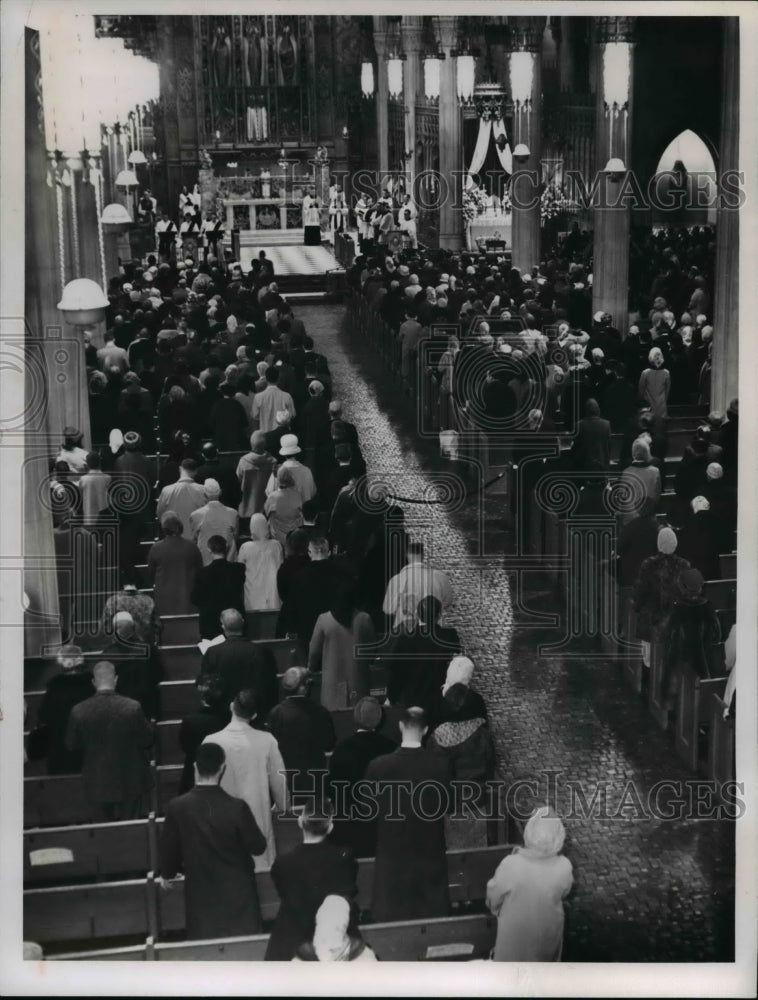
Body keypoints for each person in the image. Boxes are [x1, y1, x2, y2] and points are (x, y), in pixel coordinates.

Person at [158, 742, 268, 940]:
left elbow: (169, 850)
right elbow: (259, 847)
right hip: (239, 894)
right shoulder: (237, 807)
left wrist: (167, 873)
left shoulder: (177, 807)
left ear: (194, 767)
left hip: (201, 894)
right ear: (223, 768)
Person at [365, 706, 453, 922]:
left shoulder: (378, 767)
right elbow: (448, 806)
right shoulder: (440, 766)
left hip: (392, 858)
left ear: (400, 726)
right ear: (425, 731)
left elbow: (368, 810)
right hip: (429, 856)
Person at [202, 689, 288, 869]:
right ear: (255, 715)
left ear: (231, 707)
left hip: (221, 818)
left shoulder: (211, 741)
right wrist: (282, 806)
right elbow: (279, 781)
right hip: (257, 816)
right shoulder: (267, 741)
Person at [265, 798, 358, 962]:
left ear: (300, 822)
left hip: (291, 943)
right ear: (330, 827)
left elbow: (283, 891)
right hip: (333, 941)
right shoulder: (344, 858)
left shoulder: (283, 863)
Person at [65, 661, 153, 821]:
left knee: (104, 835)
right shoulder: (132, 707)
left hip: (96, 779)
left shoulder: (78, 711)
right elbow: (147, 740)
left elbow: (71, 745)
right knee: (130, 829)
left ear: (93, 682)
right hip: (130, 779)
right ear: (116, 679)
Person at [486, 805, 573, 961]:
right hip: (547, 942)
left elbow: (493, 897)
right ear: (559, 836)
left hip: (513, 949)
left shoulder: (510, 864)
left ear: (529, 831)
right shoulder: (564, 866)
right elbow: (564, 892)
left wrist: (496, 909)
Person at [327, 696, 398, 858]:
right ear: (379, 719)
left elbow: (333, 791)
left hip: (351, 828)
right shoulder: (390, 748)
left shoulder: (342, 750)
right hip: (384, 828)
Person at [384, 596, 461, 720]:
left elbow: (397, 675)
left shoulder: (404, 640)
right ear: (439, 615)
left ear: (417, 614)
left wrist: (390, 698)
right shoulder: (449, 636)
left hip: (413, 704)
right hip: (441, 703)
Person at [266, 667, 336, 802]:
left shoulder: (276, 713)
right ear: (305, 687)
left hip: (285, 779)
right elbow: (329, 743)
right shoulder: (320, 712)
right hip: (314, 779)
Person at [200, 609, 279, 717]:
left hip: (223, 714)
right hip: (255, 711)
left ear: (223, 626)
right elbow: (271, 684)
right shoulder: (262, 651)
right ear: (243, 622)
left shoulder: (213, 652)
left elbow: (206, 684)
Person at [307, 586, 376, 710]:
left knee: (335, 720)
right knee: (359, 717)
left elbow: (314, 651)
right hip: (358, 681)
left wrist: (311, 668)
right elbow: (372, 649)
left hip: (332, 684)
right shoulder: (364, 619)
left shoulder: (324, 620)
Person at [662, 568, 722, 709]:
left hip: (680, 658)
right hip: (703, 660)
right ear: (700, 587)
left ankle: (673, 711)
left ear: (682, 587)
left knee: (676, 687)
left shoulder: (678, 609)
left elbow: (667, 633)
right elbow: (717, 635)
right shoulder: (708, 607)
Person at [33, 645, 93, 775]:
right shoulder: (90, 686)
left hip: (61, 750)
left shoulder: (55, 688)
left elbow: (44, 716)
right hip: (88, 750)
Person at [382, 540, 454, 631]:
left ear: (407, 555)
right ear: (424, 555)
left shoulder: (396, 580)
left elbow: (388, 609)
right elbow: (447, 602)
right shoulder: (440, 577)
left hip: (406, 634)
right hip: (433, 632)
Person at [178, 674, 231, 794]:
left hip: (196, 770)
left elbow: (185, 746)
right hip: (225, 768)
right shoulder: (229, 718)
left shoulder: (190, 720)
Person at [148, 512, 204, 616]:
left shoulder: (156, 548)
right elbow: (200, 571)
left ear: (164, 529)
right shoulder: (192, 546)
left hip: (164, 598)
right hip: (187, 596)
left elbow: (150, 574)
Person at [191, 535, 246, 640]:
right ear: (226, 549)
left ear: (209, 550)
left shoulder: (202, 574)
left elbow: (195, 599)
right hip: (234, 623)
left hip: (210, 625)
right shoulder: (238, 569)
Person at [293, 895, 377, 963]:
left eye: (336, 928)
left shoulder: (363, 955)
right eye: (324, 926)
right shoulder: (303, 957)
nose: (329, 933)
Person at [237, 513, 284, 612]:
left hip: (253, 592)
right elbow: (281, 566)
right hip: (273, 592)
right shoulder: (276, 545)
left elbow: (239, 570)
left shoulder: (245, 547)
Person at [189, 479, 238, 566]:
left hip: (205, 564)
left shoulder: (195, 515)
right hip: (228, 564)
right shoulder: (233, 513)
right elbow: (236, 536)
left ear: (204, 494)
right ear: (220, 492)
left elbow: (193, 540)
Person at [156, 459, 207, 538]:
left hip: (173, 539)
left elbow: (160, 515)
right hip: (196, 539)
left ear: (180, 469)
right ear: (196, 471)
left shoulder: (166, 490)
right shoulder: (203, 490)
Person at [237, 431, 278, 524]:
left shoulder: (244, 461)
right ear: (265, 444)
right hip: (266, 509)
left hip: (247, 508)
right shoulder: (273, 462)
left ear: (251, 444)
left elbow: (238, 479)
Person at [264, 467, 304, 547]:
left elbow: (266, 512)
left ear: (278, 479)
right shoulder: (297, 495)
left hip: (277, 537)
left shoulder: (272, 497)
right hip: (294, 536)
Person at [569, 397, 611, 471]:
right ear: (598, 410)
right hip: (602, 467)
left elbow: (575, 449)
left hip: (584, 467)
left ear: (586, 410)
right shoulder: (606, 424)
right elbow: (609, 447)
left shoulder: (579, 425)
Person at [252, 366, 296, 433]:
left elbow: (255, 416)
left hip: (265, 435)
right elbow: (292, 415)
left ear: (266, 378)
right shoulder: (287, 396)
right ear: (278, 378)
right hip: (282, 437)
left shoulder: (258, 397)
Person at [638, 347, 671, 421]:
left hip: (648, 409)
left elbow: (641, 392)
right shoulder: (666, 373)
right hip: (661, 409)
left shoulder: (645, 373)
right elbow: (667, 392)